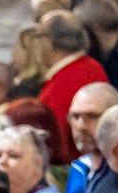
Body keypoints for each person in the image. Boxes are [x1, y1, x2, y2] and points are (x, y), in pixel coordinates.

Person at [37, 13, 112, 165]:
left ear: (48, 41)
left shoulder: (65, 81)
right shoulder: (91, 67)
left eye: (38, 36)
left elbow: (57, 141)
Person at [62, 82, 118, 193]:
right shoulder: (79, 168)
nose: (81, 126)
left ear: (116, 117)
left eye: (92, 116)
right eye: (75, 116)